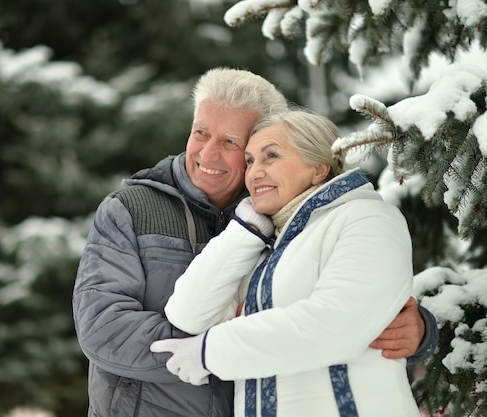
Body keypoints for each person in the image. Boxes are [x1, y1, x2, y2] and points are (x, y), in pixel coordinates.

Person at [73, 68, 438, 417]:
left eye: (232, 142)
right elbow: (104, 330)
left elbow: (347, 301)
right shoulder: (134, 209)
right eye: (201, 132)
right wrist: (215, 349)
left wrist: (418, 330)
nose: (208, 153)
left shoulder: (288, 219)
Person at [151, 110, 422, 416]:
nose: (254, 173)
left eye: (272, 156)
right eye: (250, 161)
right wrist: (244, 231)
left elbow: (330, 328)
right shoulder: (267, 248)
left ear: (319, 168)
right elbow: (187, 313)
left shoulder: (367, 219)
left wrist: (210, 351)